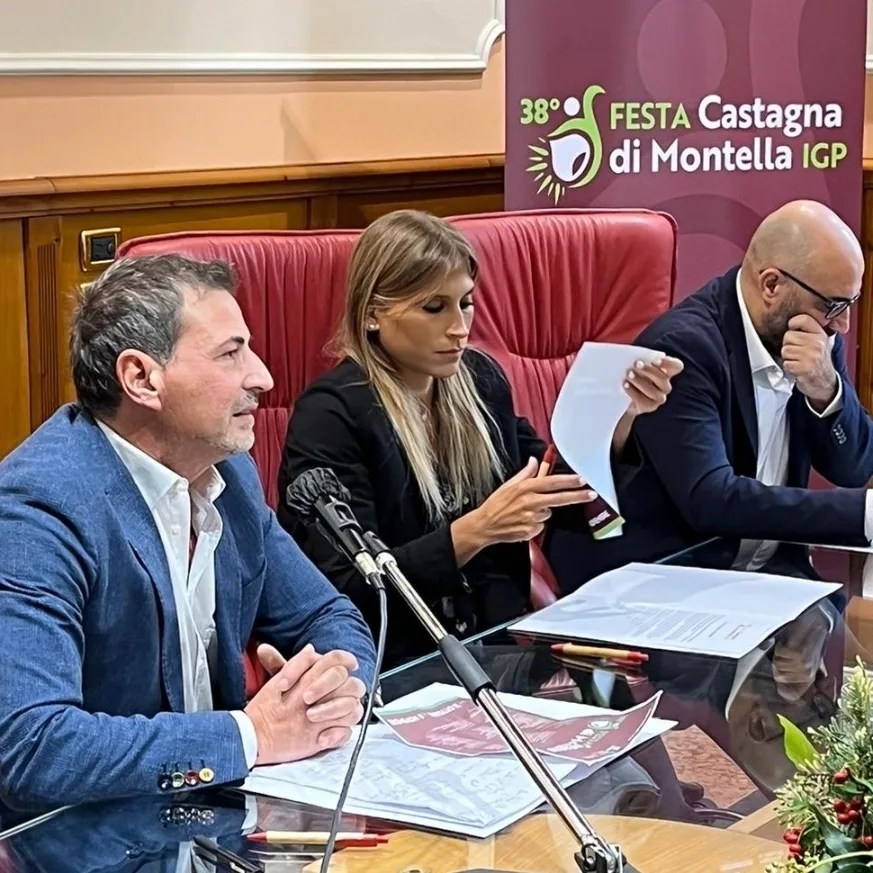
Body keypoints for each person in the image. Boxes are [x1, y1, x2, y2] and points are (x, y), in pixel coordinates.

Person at [0, 254, 376, 811]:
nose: (263, 377)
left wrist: (333, 688)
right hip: (86, 834)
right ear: (141, 378)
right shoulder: (39, 510)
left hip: (212, 818)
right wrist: (253, 735)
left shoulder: (229, 473)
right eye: (231, 353)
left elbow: (327, 615)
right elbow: (33, 749)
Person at [278, 209, 682, 667]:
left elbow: (560, 497)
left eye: (466, 303)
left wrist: (619, 418)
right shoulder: (330, 415)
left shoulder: (480, 380)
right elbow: (352, 592)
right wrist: (478, 530)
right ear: (373, 314)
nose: (459, 327)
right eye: (434, 308)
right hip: (396, 665)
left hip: (501, 646)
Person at [547, 200, 873, 590]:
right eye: (834, 305)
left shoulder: (816, 336)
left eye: (850, 303)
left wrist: (826, 391)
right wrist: (865, 515)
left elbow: (853, 469)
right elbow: (711, 499)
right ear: (771, 285)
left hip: (770, 576)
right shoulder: (684, 347)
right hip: (668, 581)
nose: (843, 323)